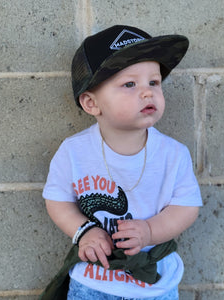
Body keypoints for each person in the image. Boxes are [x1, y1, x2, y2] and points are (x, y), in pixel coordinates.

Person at [43, 24, 202, 300]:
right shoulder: (74, 151)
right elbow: (57, 199)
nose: (147, 92)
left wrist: (151, 231)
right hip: (94, 282)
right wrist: (83, 231)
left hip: (154, 282)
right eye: (130, 84)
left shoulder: (173, 154)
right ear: (92, 103)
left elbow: (186, 207)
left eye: (153, 82)